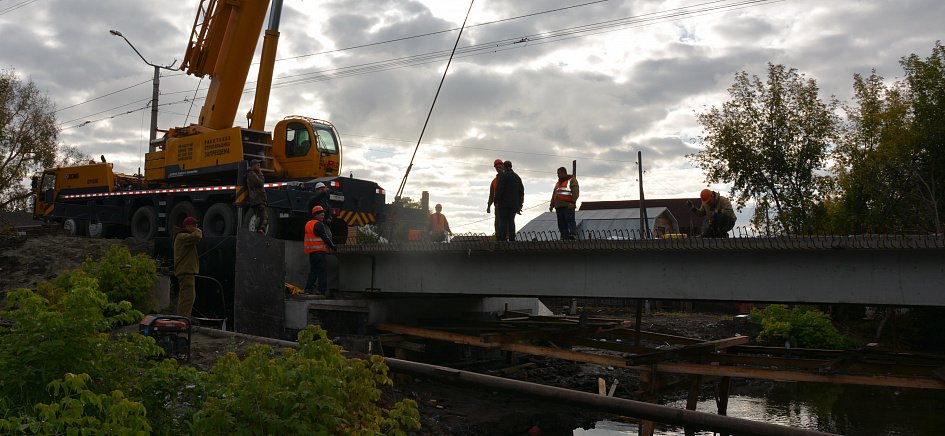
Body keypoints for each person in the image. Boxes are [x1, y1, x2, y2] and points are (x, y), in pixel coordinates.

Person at [303, 205, 337, 296]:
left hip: (312, 253)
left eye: (323, 214)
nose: (323, 216)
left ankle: (308, 289)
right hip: (319, 252)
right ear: (316, 215)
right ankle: (321, 291)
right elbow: (325, 237)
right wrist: (333, 247)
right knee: (322, 272)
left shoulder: (308, 224)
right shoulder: (319, 224)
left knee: (313, 271)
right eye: (321, 214)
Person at [174, 216, 203, 317]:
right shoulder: (182, 236)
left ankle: (184, 317)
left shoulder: (183, 237)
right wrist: (198, 230)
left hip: (186, 271)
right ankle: (183, 319)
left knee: (187, 296)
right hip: (185, 271)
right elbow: (197, 236)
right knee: (188, 297)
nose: (196, 226)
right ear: (186, 226)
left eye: (196, 225)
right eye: (193, 225)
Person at [494, 160, 524, 241]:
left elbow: (499, 189)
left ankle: (503, 240)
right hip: (514, 204)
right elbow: (521, 191)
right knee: (511, 221)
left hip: (503, 204)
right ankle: (512, 239)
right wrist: (520, 204)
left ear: (504, 166)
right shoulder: (517, 177)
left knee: (503, 221)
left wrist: (496, 200)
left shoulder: (503, 176)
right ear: (511, 166)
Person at [549, 166, 579, 240]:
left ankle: (572, 234)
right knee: (561, 223)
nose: (558, 175)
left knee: (570, 220)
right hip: (559, 206)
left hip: (568, 205)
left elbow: (575, 191)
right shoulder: (558, 183)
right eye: (557, 173)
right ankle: (564, 236)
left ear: (564, 173)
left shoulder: (571, 180)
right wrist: (552, 205)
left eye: (559, 173)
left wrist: (572, 202)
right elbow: (554, 194)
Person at [245, 159, 268, 233]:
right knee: (260, 216)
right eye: (257, 165)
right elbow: (260, 183)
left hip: (259, 199)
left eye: (259, 165)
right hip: (256, 200)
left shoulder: (255, 174)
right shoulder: (251, 174)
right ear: (253, 166)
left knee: (264, 217)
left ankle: (260, 230)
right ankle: (258, 230)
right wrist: (261, 174)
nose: (259, 166)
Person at [485, 158, 504, 237]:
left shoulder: (507, 178)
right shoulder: (494, 181)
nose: (498, 169)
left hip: (506, 204)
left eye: (499, 167)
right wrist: (489, 205)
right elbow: (491, 195)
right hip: (498, 204)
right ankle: (499, 237)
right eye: (497, 168)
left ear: (503, 166)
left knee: (506, 222)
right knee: (497, 222)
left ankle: (506, 238)